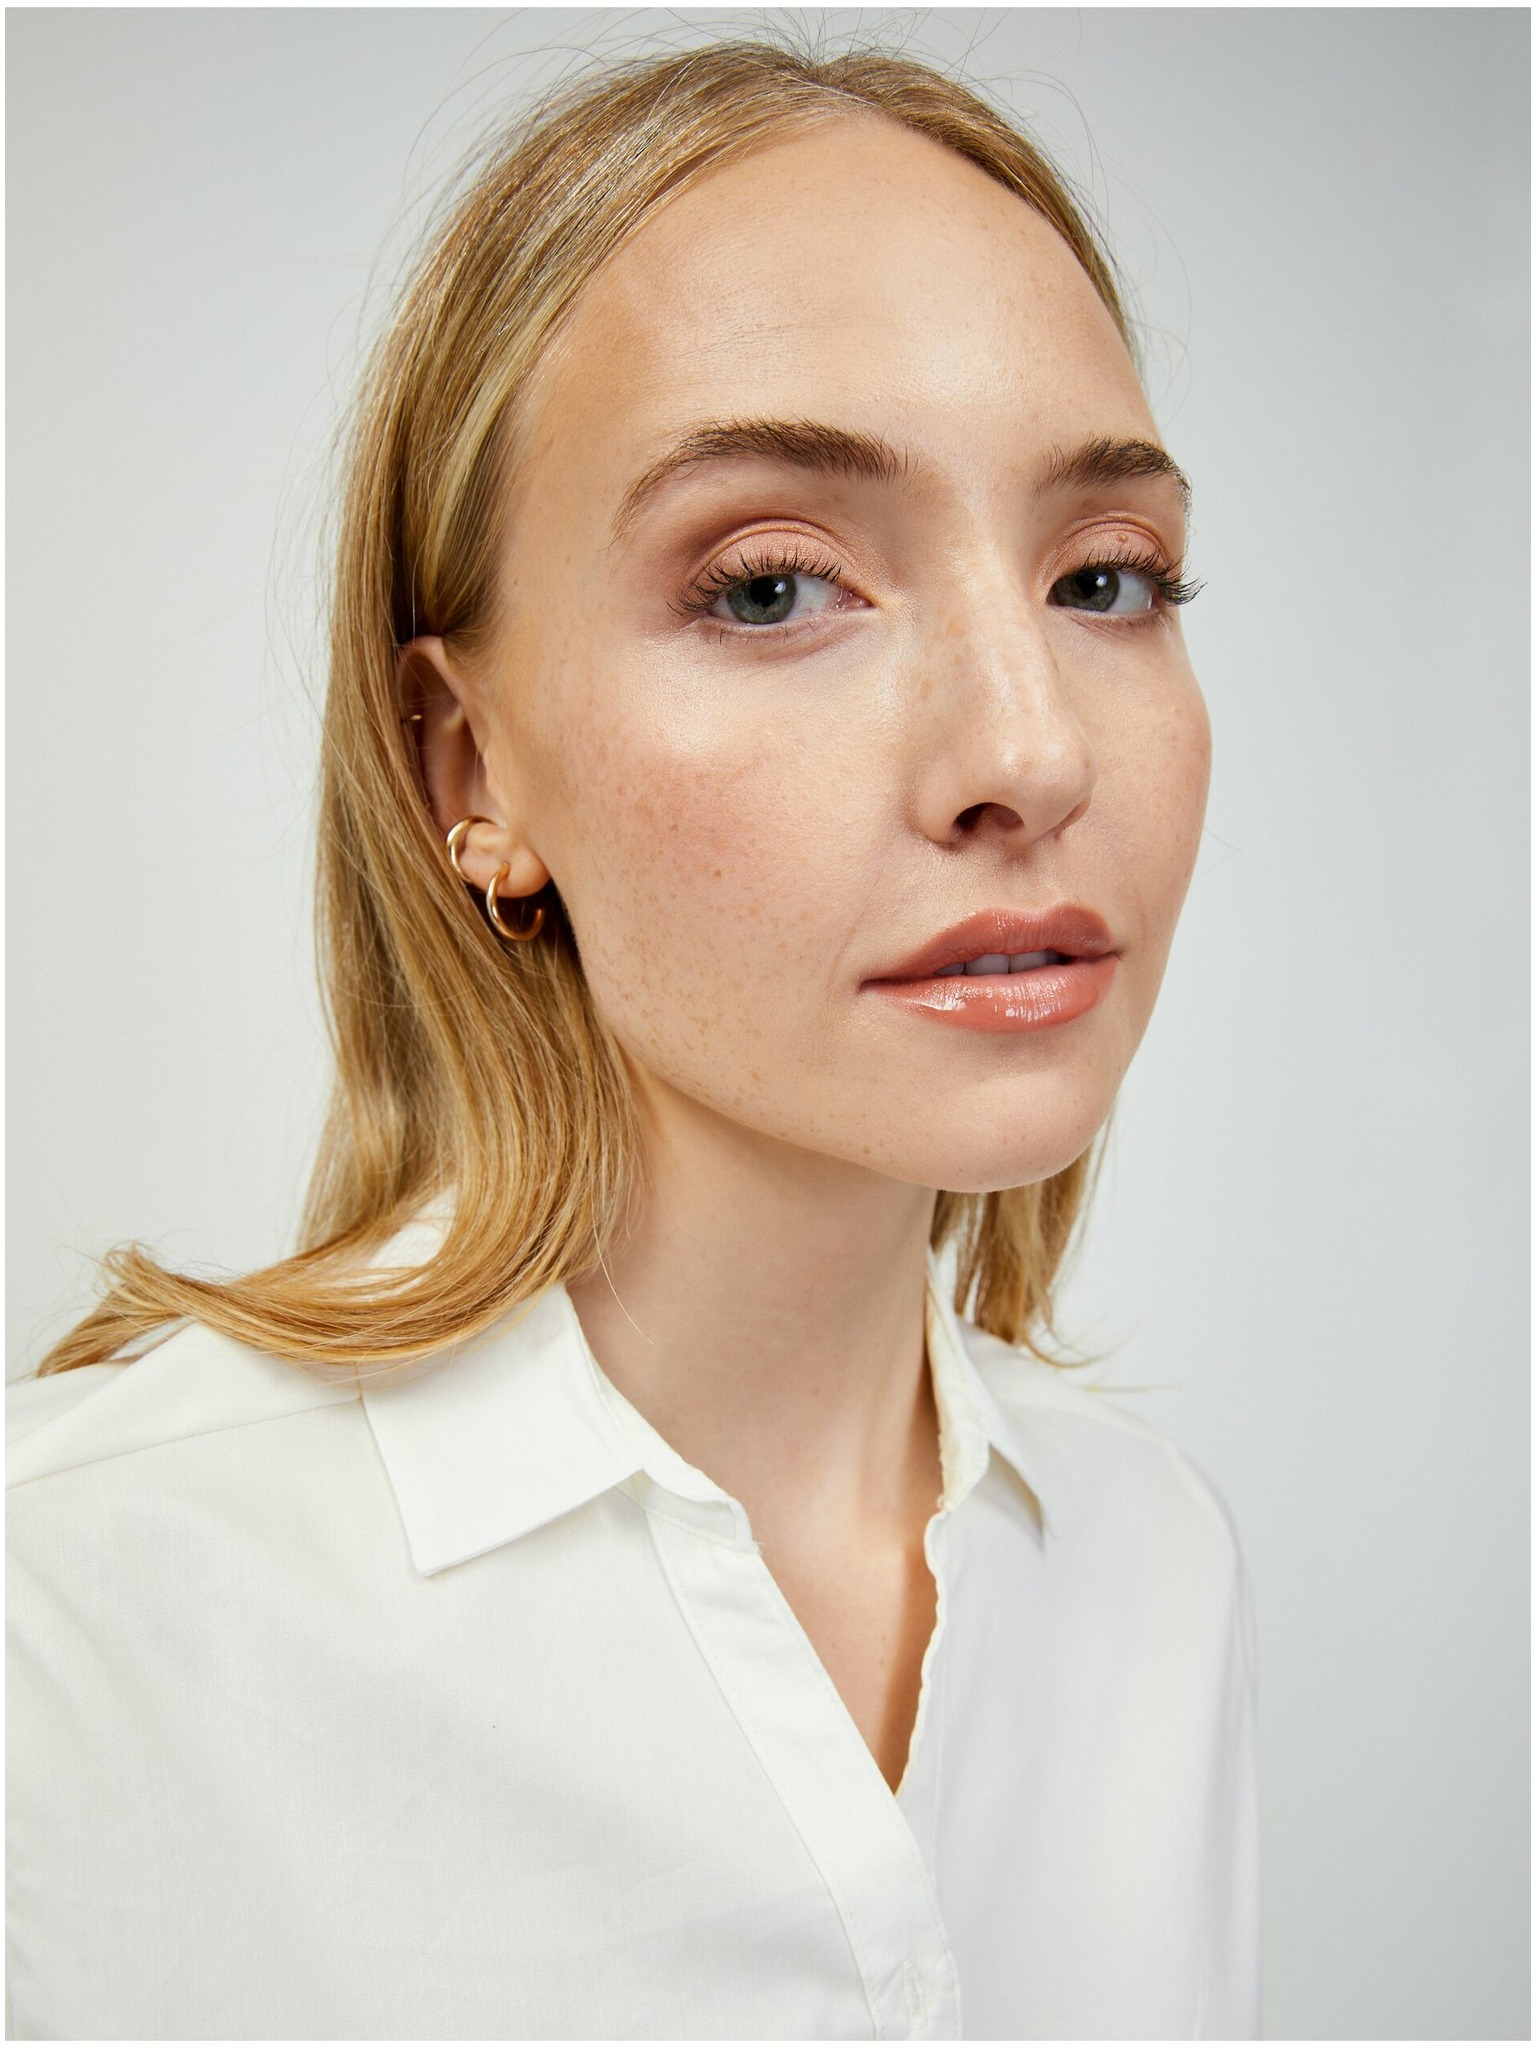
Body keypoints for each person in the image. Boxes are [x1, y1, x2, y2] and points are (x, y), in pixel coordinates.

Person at [6, 37, 1259, 2041]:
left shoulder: (1149, 1566)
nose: (1030, 750)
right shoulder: (73, 1614)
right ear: (466, 764)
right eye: (771, 590)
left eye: (1104, 577)